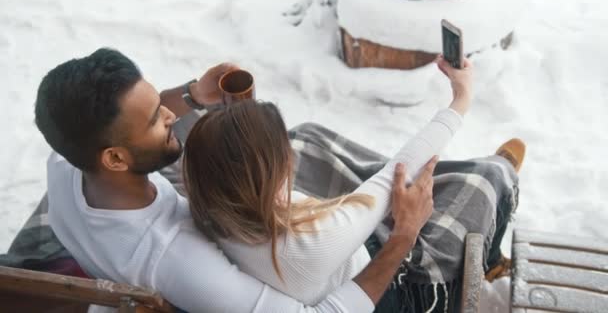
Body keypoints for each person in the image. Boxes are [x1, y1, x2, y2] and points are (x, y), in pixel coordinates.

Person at [34, 47, 436, 312]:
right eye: (158, 117)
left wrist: (194, 93)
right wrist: (404, 234)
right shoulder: (177, 259)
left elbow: (131, 125)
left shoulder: (67, 161)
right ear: (117, 158)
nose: (174, 115)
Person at [181, 57, 524, 311]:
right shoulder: (314, 242)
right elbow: (397, 171)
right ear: (271, 172)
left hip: (325, 257)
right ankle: (490, 256)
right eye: (283, 150)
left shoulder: (205, 205)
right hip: (390, 288)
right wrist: (461, 98)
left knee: (310, 137)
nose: (289, 154)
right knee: (484, 184)